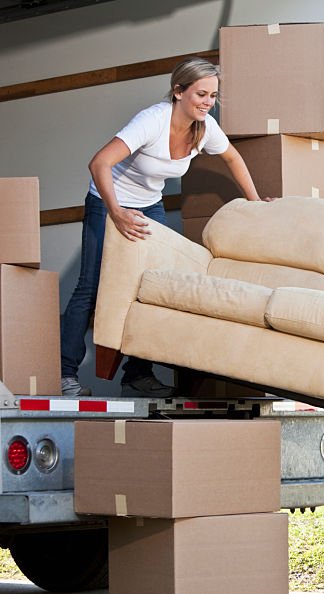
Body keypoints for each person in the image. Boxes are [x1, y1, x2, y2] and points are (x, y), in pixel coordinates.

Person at [60, 57, 266, 398]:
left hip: (149, 205)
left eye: (213, 96)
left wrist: (256, 202)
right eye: (201, 94)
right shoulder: (152, 121)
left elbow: (232, 157)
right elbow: (99, 163)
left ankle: (136, 374)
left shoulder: (204, 129)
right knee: (91, 285)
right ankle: (67, 374)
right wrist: (116, 212)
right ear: (178, 91)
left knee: (154, 286)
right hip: (107, 201)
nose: (207, 102)